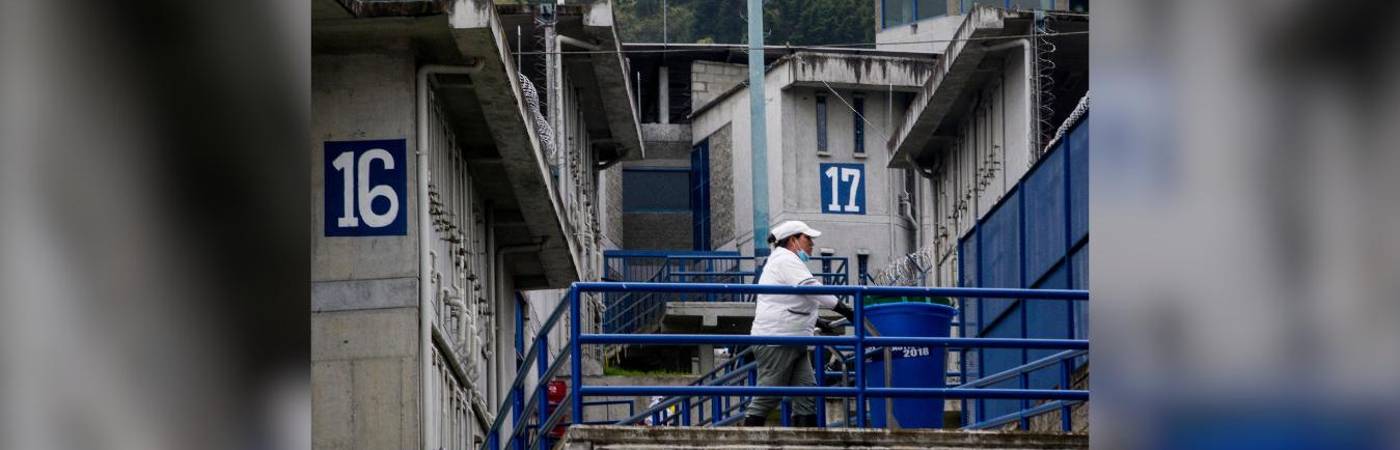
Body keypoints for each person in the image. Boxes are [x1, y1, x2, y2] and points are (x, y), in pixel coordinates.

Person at [742, 221, 855, 427]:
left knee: (806, 394)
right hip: (778, 340)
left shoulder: (784, 261)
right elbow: (810, 288)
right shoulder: (785, 259)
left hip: (793, 340)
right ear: (793, 240)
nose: (812, 244)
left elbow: (792, 299)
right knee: (768, 395)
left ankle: (805, 443)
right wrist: (845, 310)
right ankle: (744, 441)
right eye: (807, 239)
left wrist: (817, 321)